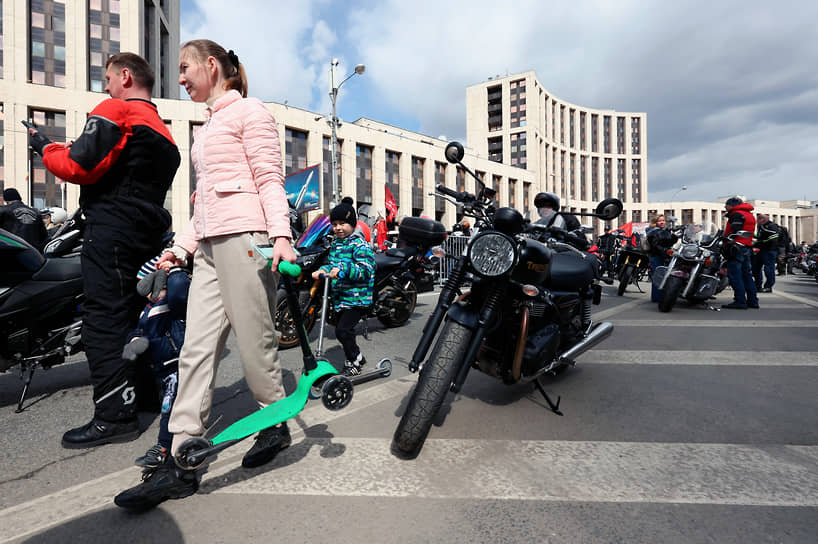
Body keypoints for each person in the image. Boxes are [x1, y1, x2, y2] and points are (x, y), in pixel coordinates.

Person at [114, 39, 296, 511]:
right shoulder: (207, 126)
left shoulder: (249, 112)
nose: (179, 78)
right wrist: (179, 250)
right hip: (211, 249)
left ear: (211, 66)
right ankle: (181, 463)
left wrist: (281, 236)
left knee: (256, 345)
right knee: (195, 349)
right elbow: (204, 204)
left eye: (184, 68)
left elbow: (269, 178)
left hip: (248, 240)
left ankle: (273, 423)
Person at [28, 52, 180, 447]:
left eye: (109, 79)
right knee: (137, 314)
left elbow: (79, 166)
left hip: (112, 226)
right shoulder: (164, 132)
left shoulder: (117, 108)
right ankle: (146, 397)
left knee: (104, 318)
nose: (107, 87)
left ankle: (114, 417)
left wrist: (43, 147)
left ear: (125, 76)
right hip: (148, 232)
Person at [123, 261, 190, 469]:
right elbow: (141, 330)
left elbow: (180, 289)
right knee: (170, 407)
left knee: (169, 408)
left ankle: (163, 448)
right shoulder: (148, 309)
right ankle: (177, 443)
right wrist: (134, 341)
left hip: (176, 364)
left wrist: (174, 269)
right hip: (161, 367)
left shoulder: (174, 305)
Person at [311, 202, 376, 375]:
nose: (338, 228)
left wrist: (344, 270)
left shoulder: (359, 245)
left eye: (343, 223)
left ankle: (354, 363)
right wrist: (322, 271)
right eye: (334, 224)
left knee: (343, 331)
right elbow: (332, 265)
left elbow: (366, 270)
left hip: (357, 298)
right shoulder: (336, 244)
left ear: (353, 224)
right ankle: (358, 357)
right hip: (342, 297)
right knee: (344, 331)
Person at [721, 197, 759, 309]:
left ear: (732, 205)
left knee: (735, 276)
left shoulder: (736, 214)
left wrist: (725, 238)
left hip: (736, 248)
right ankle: (753, 301)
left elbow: (735, 230)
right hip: (746, 247)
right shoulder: (749, 214)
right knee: (747, 275)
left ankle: (740, 301)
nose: (725, 207)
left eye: (726, 205)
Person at [645, 214, 678, 303]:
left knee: (663, 276)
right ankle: (656, 298)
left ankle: (662, 296)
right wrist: (664, 251)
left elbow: (670, 242)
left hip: (662, 256)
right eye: (660, 221)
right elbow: (656, 245)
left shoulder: (663, 230)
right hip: (656, 256)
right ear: (655, 222)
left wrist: (674, 236)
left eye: (663, 220)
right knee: (658, 276)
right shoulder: (653, 231)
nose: (662, 222)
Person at [752, 214, 779, 292]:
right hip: (761, 250)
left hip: (769, 251)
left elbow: (773, 238)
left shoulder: (771, 226)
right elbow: (762, 237)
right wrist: (754, 238)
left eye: (757, 220)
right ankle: (757, 285)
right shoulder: (761, 227)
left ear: (762, 220)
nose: (756, 222)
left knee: (769, 270)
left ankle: (768, 287)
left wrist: (758, 242)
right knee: (755, 268)